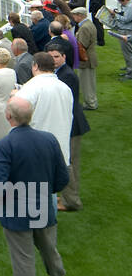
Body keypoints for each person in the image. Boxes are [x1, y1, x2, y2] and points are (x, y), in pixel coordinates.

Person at [0, 95, 70, 276]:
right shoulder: (49, 139)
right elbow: (62, 177)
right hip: (44, 206)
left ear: (8, 117)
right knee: (49, 249)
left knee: (23, 260)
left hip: (17, 213)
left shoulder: (6, 144)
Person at [46, 44, 90, 212]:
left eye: (57, 56)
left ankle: (71, 201)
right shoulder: (58, 73)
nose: (54, 60)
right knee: (68, 162)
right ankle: (68, 196)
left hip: (72, 125)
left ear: (64, 57)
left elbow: (64, 104)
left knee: (69, 163)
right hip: (69, 123)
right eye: (51, 57)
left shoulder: (67, 75)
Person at [15, 53, 73, 164]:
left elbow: (16, 118)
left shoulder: (30, 87)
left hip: (37, 152)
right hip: (61, 150)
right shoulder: (65, 88)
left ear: (35, 66)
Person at [71, 5, 98, 109]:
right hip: (89, 57)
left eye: (74, 15)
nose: (73, 18)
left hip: (86, 59)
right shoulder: (88, 24)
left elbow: (82, 44)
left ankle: (90, 103)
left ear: (79, 16)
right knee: (89, 82)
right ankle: (91, 101)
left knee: (86, 83)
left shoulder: (85, 27)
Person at [107, 0, 132, 77]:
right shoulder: (128, 6)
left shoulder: (130, 6)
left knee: (127, 52)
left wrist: (115, 15)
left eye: (120, 1)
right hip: (126, 29)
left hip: (127, 30)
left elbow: (126, 19)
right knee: (128, 52)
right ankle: (129, 68)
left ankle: (130, 72)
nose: (119, 3)